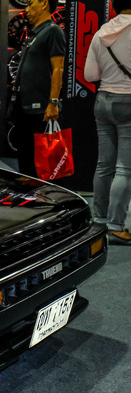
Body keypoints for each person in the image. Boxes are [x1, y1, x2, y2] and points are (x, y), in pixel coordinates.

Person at [84, 0, 131, 244]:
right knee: (125, 168)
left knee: (104, 165)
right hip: (128, 101)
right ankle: (115, 226)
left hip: (102, 100)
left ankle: (99, 220)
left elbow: (89, 75)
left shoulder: (100, 32)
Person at [8, 0, 65, 177]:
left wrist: (53, 102)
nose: (26, 9)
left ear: (44, 4)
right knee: (25, 162)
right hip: (24, 108)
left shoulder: (53, 31)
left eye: (31, 3)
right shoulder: (34, 35)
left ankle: (42, 199)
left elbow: (58, 68)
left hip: (39, 109)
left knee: (41, 165)